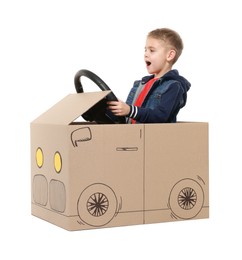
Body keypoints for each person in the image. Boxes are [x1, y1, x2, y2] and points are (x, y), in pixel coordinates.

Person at [107, 28, 191, 123]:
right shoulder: (140, 85)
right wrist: (111, 110)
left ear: (170, 55)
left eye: (152, 50)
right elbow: (127, 119)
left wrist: (130, 110)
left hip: (152, 137)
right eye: (145, 50)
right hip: (132, 135)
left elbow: (159, 116)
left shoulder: (173, 86)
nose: (146, 54)